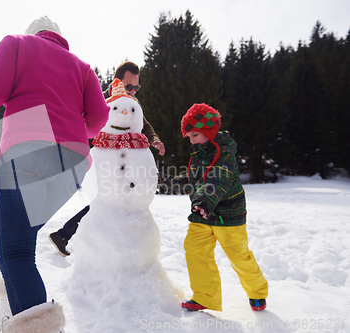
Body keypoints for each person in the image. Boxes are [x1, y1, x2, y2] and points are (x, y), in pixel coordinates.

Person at [0, 16, 109, 333]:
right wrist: (71, 123)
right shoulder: (83, 68)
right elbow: (98, 120)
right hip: (72, 164)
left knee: (14, 253)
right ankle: (15, 314)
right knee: (21, 247)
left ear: (32, 34)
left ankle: (37, 328)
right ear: (59, 38)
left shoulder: (17, 45)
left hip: (27, 156)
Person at [48, 61, 165, 256]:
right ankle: (74, 239)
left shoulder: (131, 105)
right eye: (129, 87)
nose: (133, 91)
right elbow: (82, 121)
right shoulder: (103, 101)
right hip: (105, 163)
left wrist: (154, 140)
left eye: (137, 87)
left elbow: (146, 126)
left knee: (107, 203)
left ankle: (64, 235)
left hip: (124, 164)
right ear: (118, 81)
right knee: (103, 203)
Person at [178, 103, 268, 312]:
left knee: (239, 256)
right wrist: (165, 181)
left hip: (228, 215)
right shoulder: (199, 153)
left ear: (209, 132)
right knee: (195, 250)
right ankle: (205, 297)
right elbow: (191, 179)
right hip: (202, 213)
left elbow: (219, 179)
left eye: (194, 135)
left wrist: (203, 201)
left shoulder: (224, 153)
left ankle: (257, 292)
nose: (191, 141)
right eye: (189, 137)